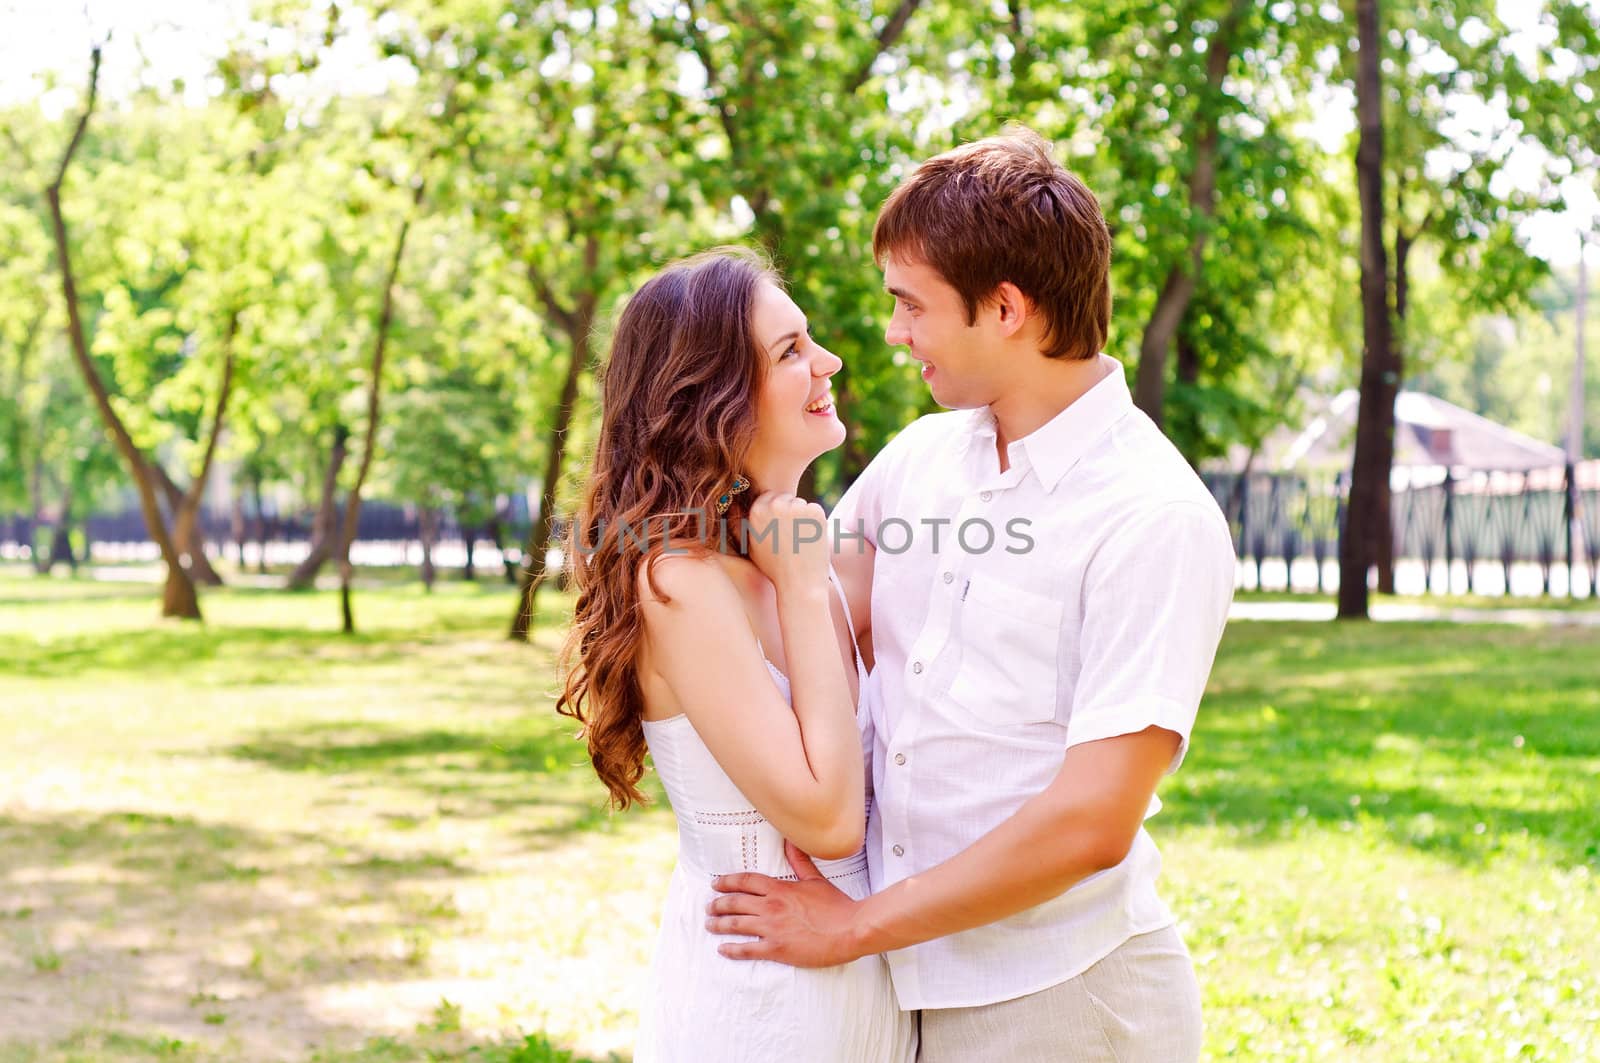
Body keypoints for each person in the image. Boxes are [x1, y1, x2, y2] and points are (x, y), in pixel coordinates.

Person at [705, 129, 1237, 1061]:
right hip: (901, 996)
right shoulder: (922, 456)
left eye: (911, 304)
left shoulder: (1154, 516)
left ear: (1004, 309)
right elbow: (806, 623)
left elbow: (1092, 821)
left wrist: (855, 926)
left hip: (1064, 1000)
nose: (892, 331)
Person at [555, 248, 915, 1063]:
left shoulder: (787, 554)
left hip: (857, 984)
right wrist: (799, 583)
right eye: (790, 351)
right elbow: (826, 819)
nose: (828, 362)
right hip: (763, 998)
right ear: (711, 398)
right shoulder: (681, 581)